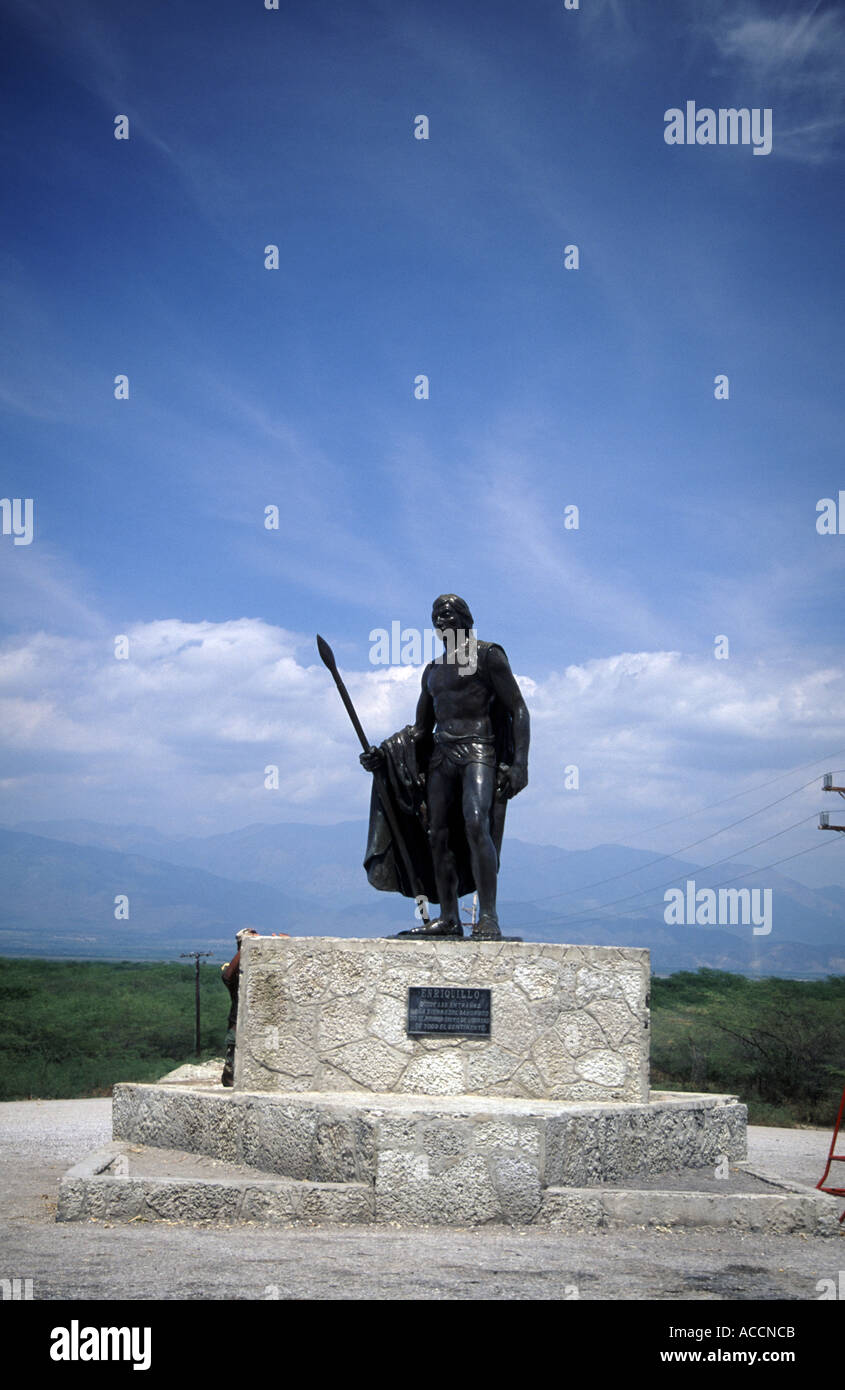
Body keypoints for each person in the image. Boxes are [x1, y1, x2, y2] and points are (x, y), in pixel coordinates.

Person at [360, 594, 529, 939]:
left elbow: (519, 709)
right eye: (437, 615)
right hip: (442, 756)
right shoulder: (433, 671)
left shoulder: (488, 655)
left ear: (466, 618)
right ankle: (450, 917)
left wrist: (520, 764)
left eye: (449, 614)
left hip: (479, 750)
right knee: (437, 833)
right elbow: (421, 730)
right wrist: (383, 756)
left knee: (476, 823)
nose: (442, 620)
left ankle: (489, 917)